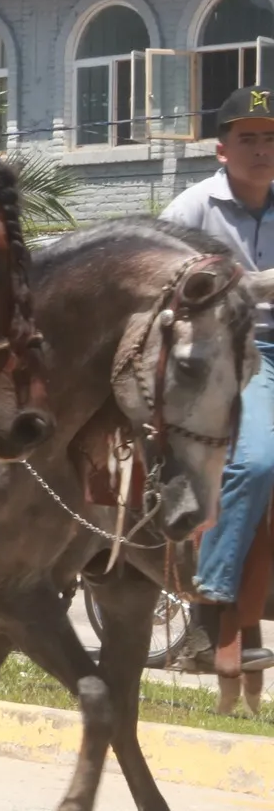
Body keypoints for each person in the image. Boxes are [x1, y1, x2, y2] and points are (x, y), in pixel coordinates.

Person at [160, 85, 274, 672]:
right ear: (221, 149)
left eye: (270, 137)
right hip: (232, 353)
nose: (262, 149)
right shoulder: (192, 209)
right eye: (248, 138)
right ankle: (212, 601)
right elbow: (159, 287)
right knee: (256, 461)